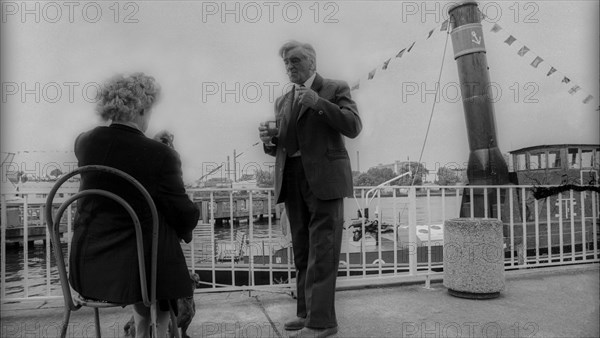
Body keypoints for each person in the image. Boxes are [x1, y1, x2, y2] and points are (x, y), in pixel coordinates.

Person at [69, 72, 199, 337]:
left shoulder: (85, 142)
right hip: (137, 278)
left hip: (87, 269)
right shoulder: (161, 155)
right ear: (142, 108)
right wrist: (166, 153)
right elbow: (184, 215)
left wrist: (152, 145)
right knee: (162, 228)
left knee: (145, 227)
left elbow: (122, 156)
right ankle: (159, 329)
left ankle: (142, 325)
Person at [258, 41, 362, 338]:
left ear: (312, 63)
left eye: (295, 60)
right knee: (303, 250)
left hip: (325, 180)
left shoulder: (334, 88)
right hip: (292, 179)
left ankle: (323, 322)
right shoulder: (282, 101)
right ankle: (305, 313)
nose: (290, 66)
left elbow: (353, 126)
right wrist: (270, 140)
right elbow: (285, 147)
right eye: (286, 63)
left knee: (323, 250)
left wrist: (318, 103)